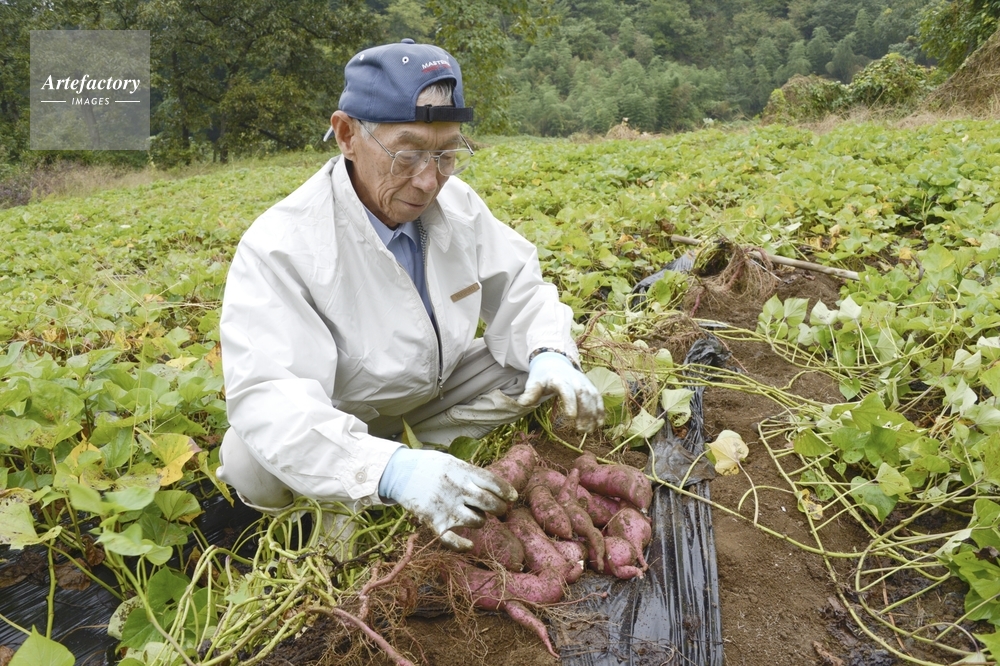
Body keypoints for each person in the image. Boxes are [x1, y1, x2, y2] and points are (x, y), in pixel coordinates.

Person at [215, 39, 603, 551]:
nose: (427, 181)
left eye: (446, 154)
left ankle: (423, 461)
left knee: (534, 368)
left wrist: (550, 352)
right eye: (408, 154)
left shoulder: (458, 204)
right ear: (347, 135)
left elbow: (520, 289)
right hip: (338, 419)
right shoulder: (282, 245)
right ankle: (349, 491)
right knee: (249, 459)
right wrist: (389, 469)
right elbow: (270, 396)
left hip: (427, 398)